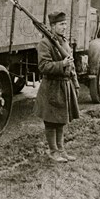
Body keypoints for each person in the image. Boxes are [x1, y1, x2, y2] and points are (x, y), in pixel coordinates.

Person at [34, 11, 80, 164]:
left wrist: (75, 83)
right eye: (61, 24)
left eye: (65, 23)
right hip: (52, 86)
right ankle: (53, 151)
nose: (64, 27)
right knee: (51, 121)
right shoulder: (45, 43)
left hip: (64, 85)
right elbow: (43, 66)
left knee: (61, 120)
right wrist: (62, 64)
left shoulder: (63, 41)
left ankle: (61, 150)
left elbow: (71, 64)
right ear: (52, 26)